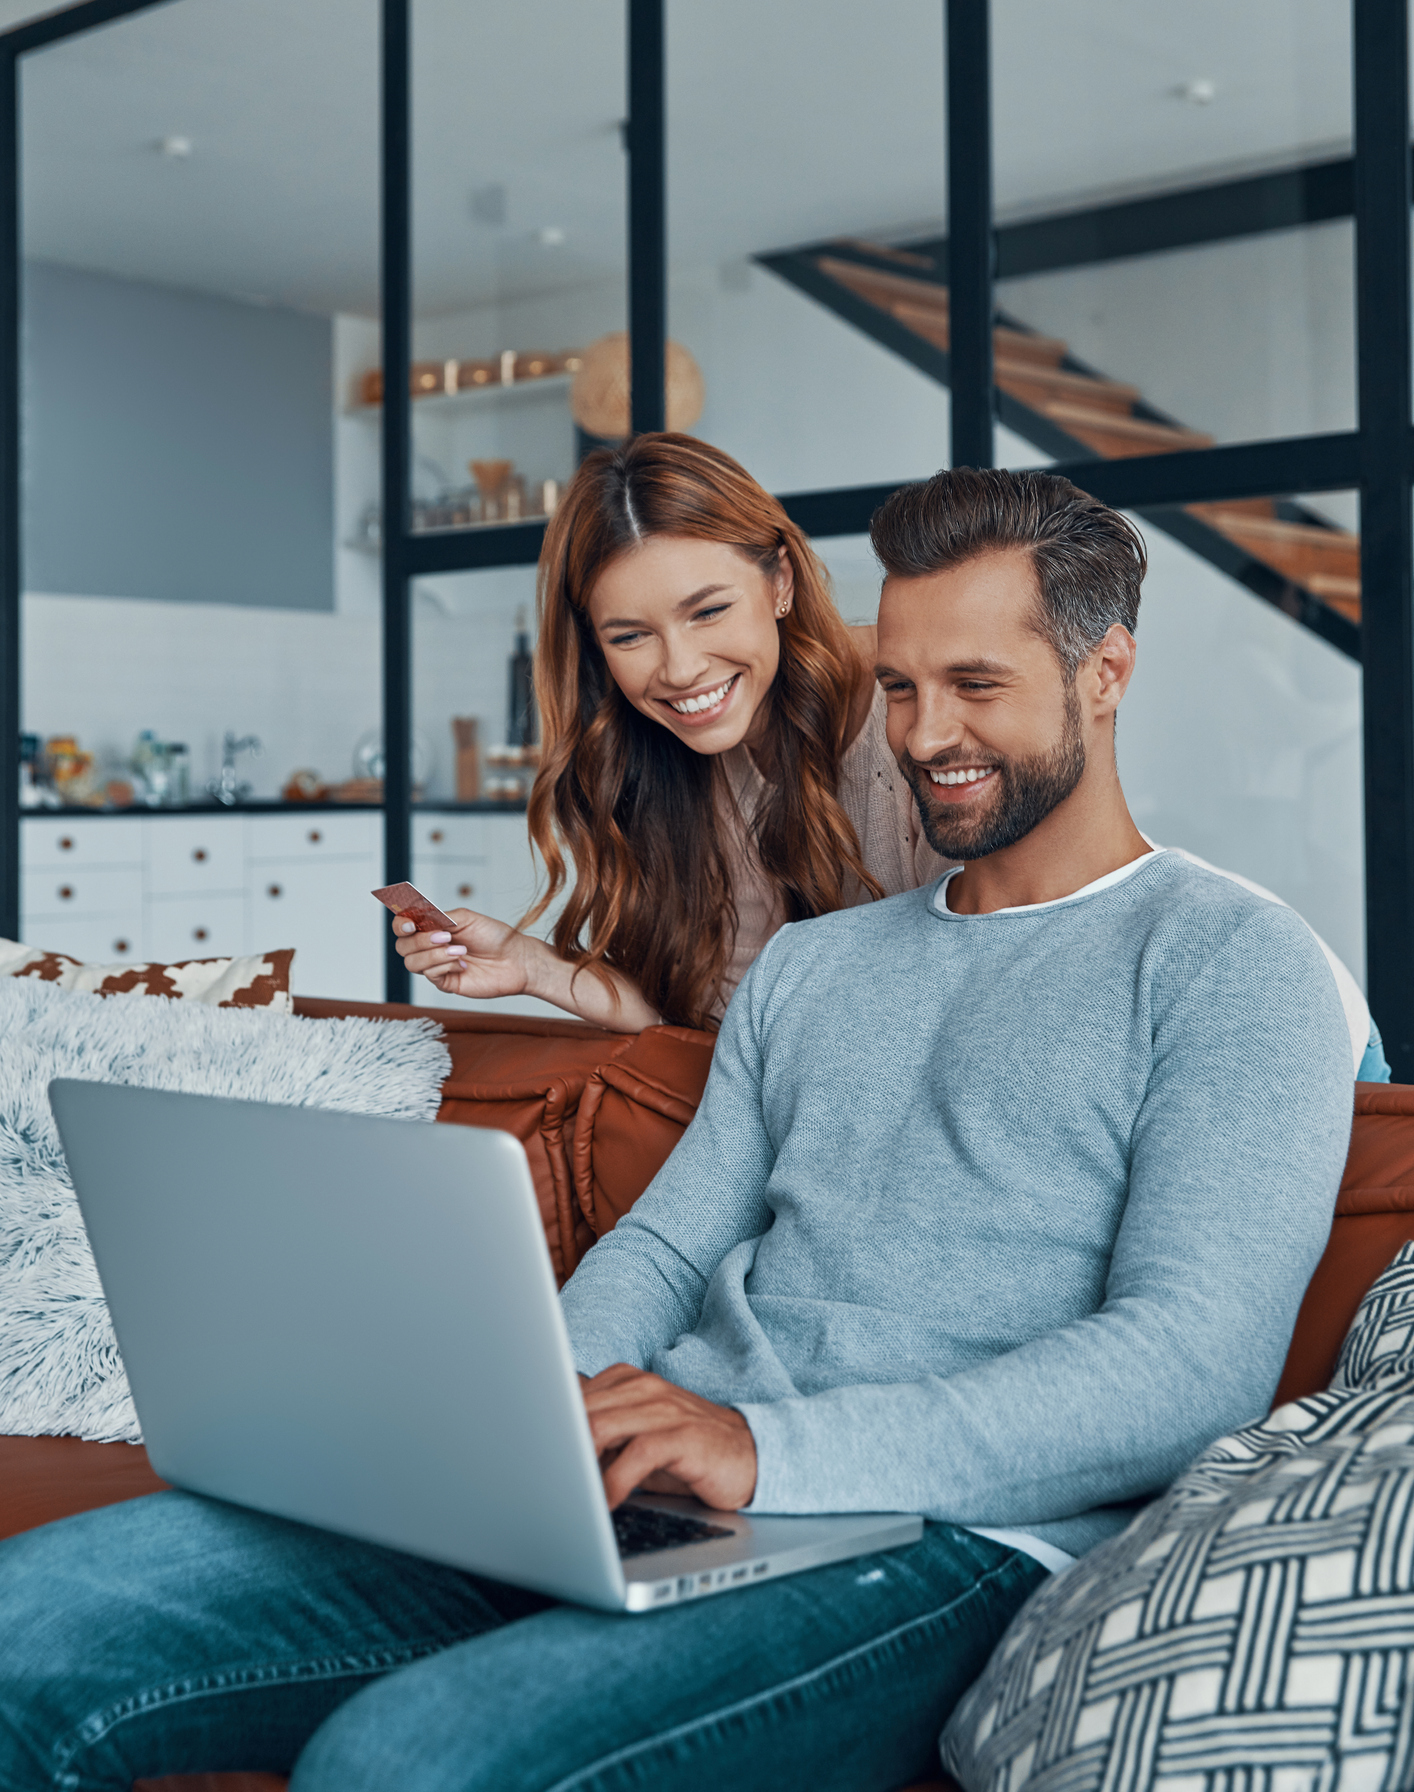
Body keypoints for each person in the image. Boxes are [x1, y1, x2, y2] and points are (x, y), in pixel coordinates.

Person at [0, 468, 1356, 1790]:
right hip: (665, 1488)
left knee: (407, 1760)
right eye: (897, 685)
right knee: (30, 1623)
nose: (925, 731)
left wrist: (767, 1450)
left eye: (977, 686)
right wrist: (530, 1421)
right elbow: (662, 1245)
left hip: (945, 1535)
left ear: (1104, 673)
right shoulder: (820, 970)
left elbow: (1190, 1365)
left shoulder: (1231, 961)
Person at [390, 433, 1388, 1079]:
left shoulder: (906, 721)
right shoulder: (672, 769)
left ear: (779, 578)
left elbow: (1006, 979)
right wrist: (539, 969)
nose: (680, 666)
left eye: (708, 610)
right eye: (630, 634)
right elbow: (723, 1023)